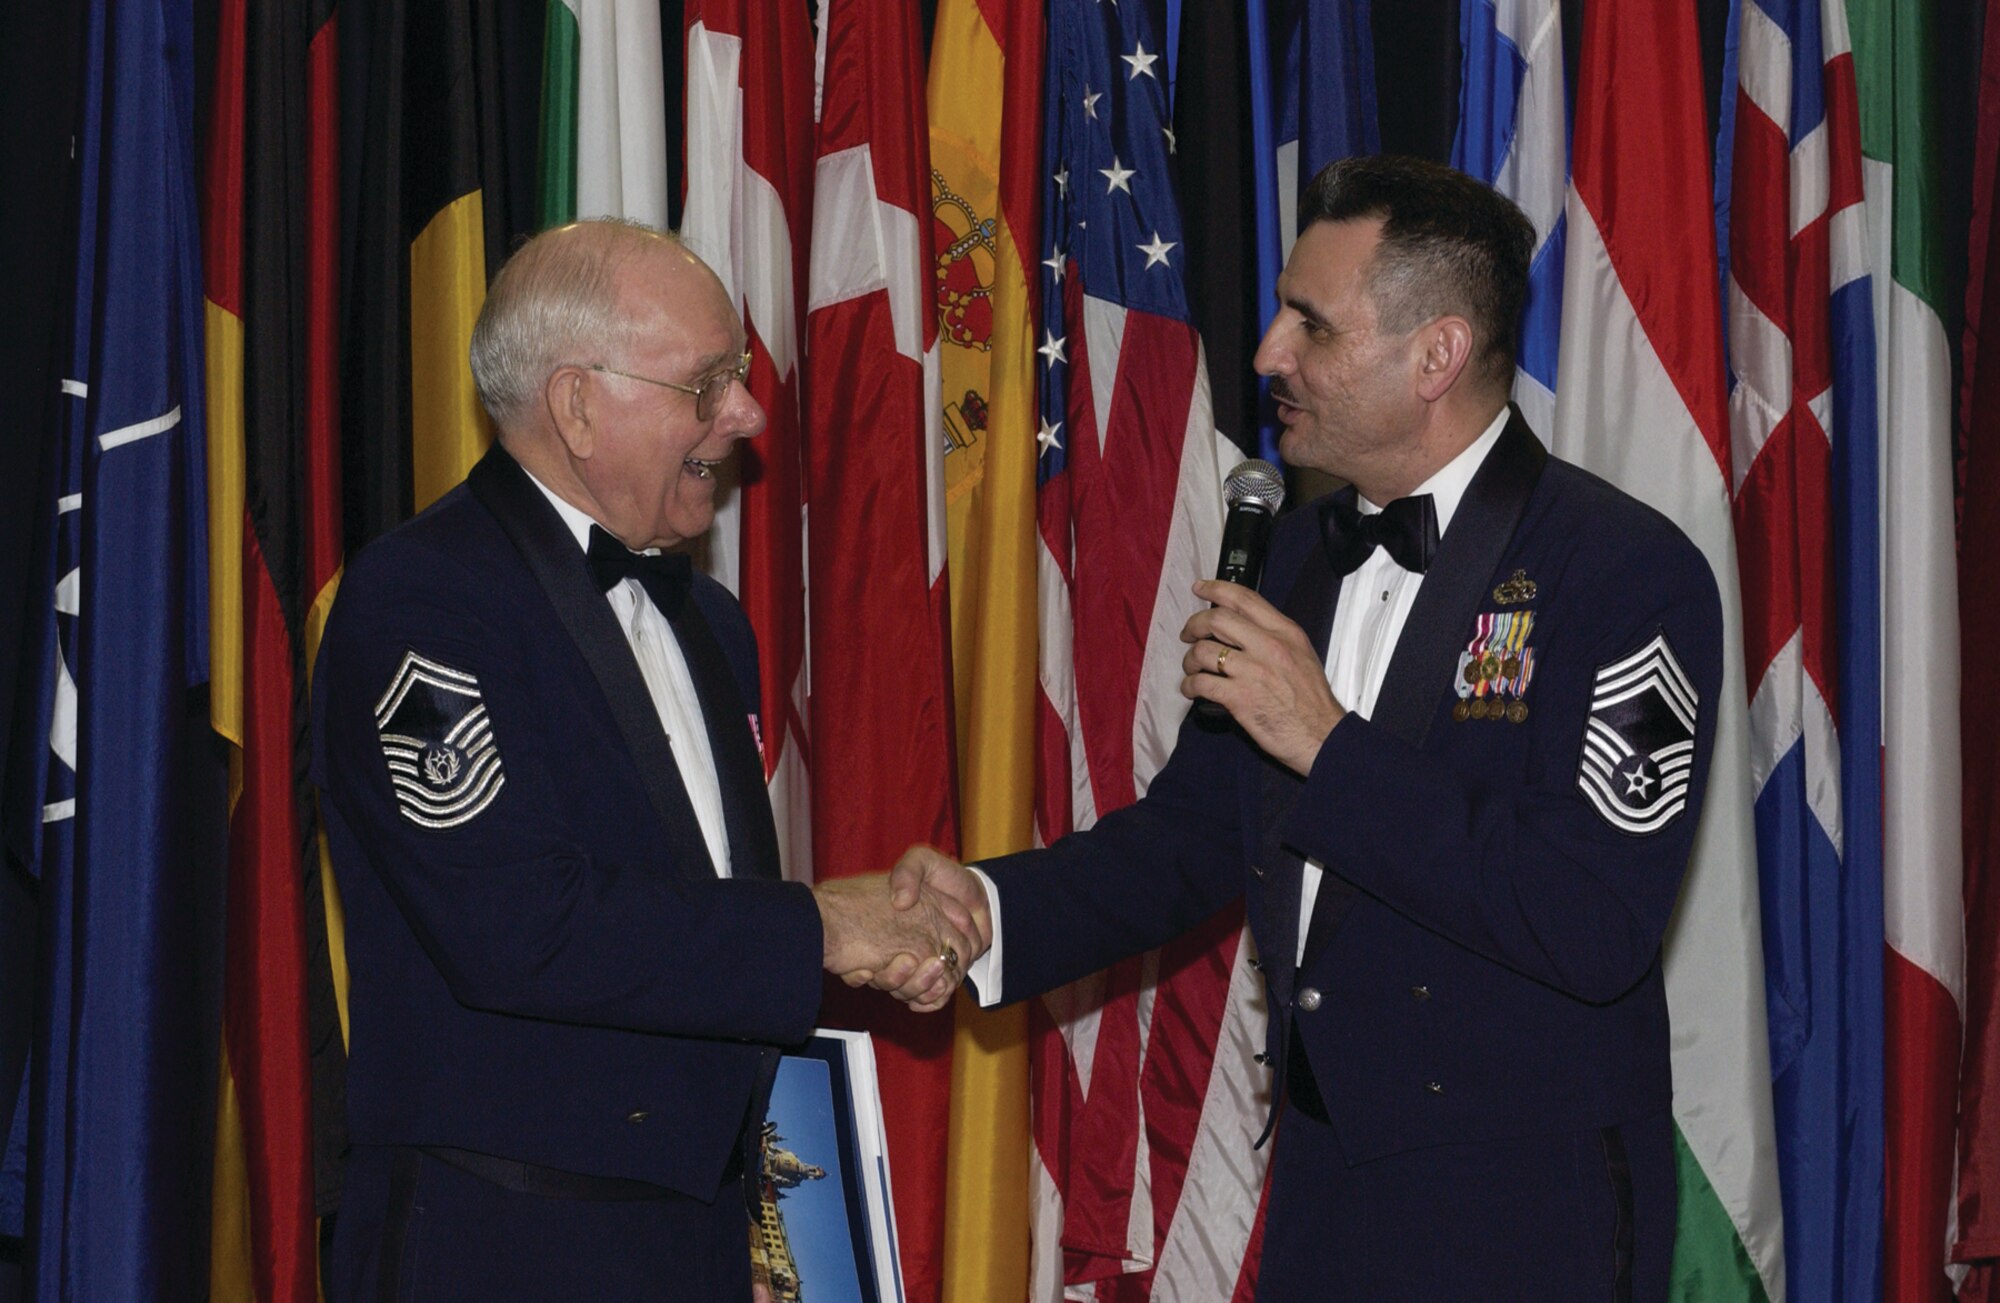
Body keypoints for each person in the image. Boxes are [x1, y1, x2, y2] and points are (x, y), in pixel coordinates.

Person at [883, 155, 1723, 1300]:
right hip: (1325, 1193)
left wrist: (1328, 743)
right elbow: (1186, 838)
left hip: (1522, 1213)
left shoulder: (1622, 572)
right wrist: (979, 914)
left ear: (1434, 355)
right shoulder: (1293, 557)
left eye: (1309, 324)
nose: (1267, 352)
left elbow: (1590, 921)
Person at [311, 220, 967, 1301]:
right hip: (502, 1248)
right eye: (706, 382)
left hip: (699, 1240)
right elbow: (518, 926)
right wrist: (824, 926)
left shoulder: (711, 620)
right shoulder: (421, 600)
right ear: (576, 405)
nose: (746, 412)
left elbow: (693, 941)